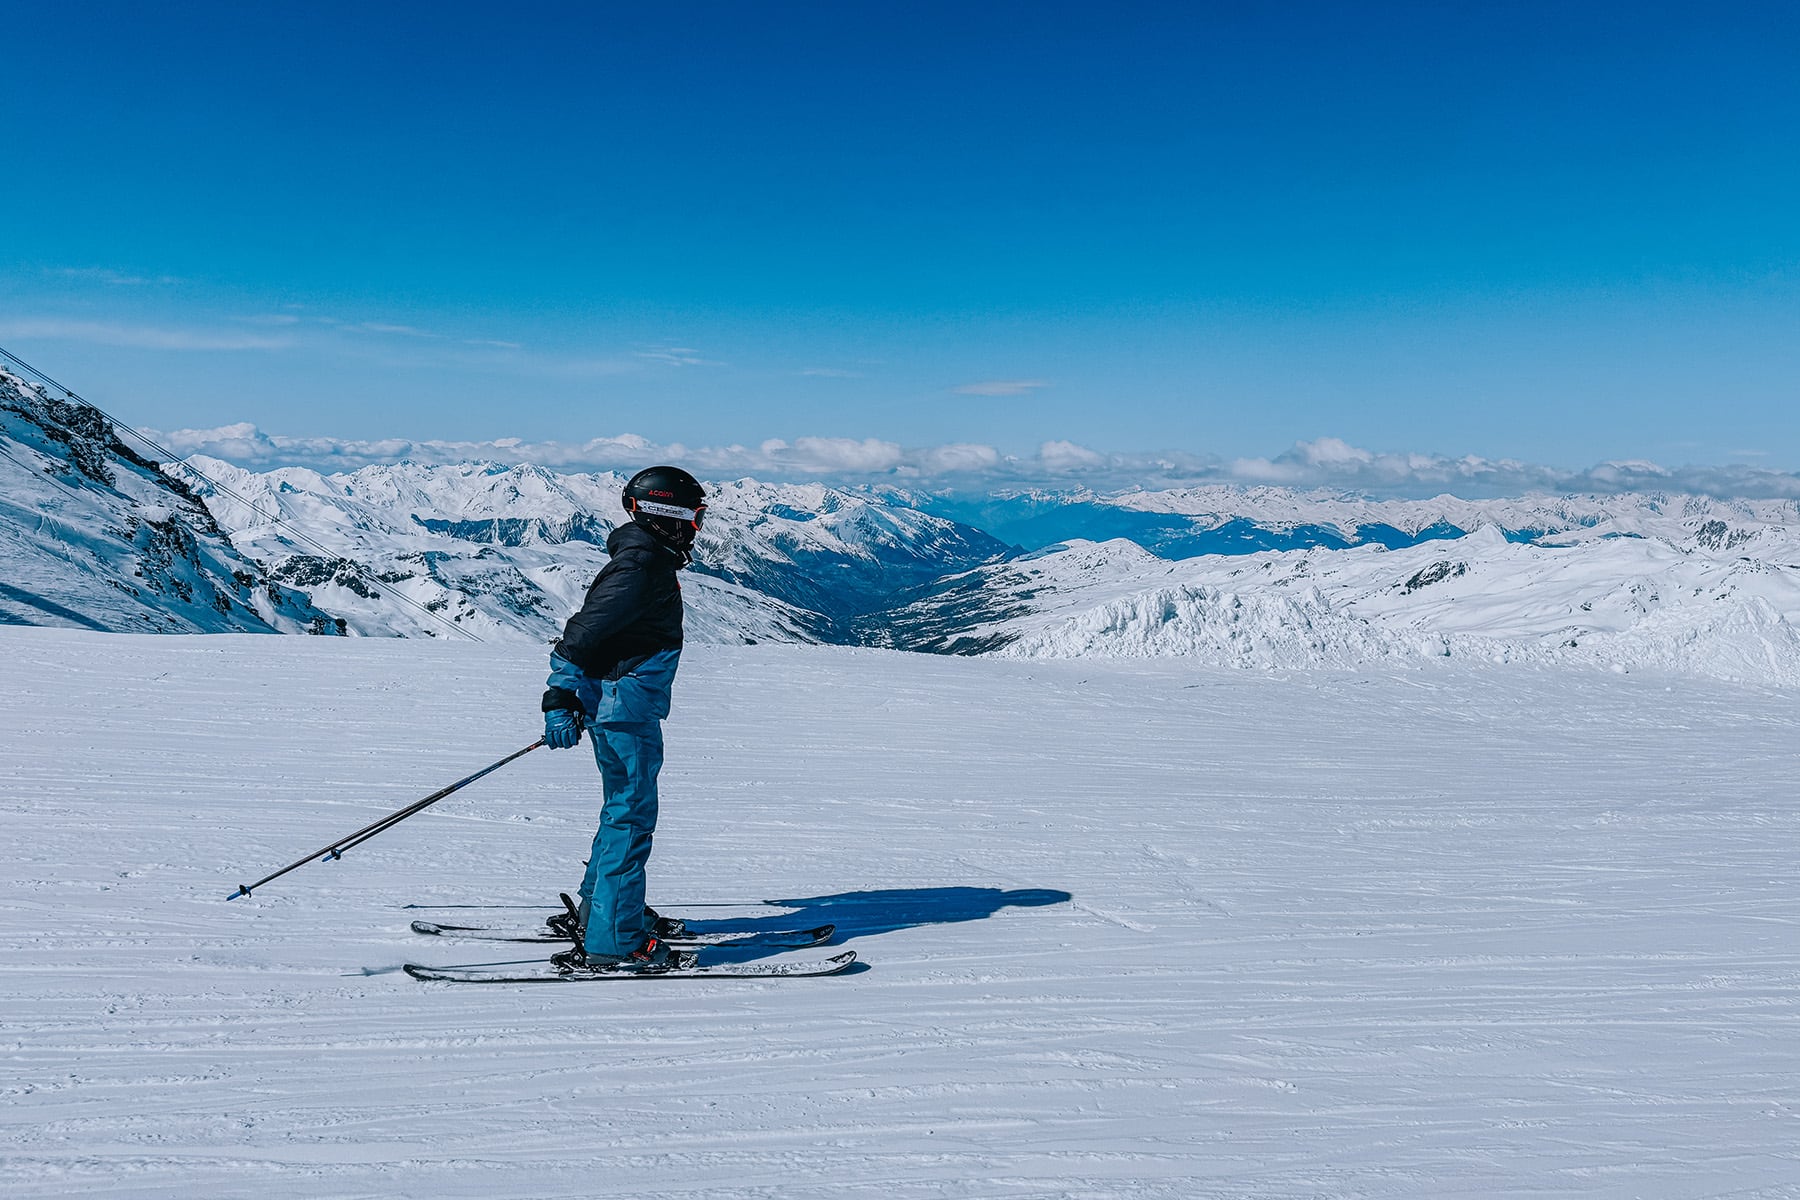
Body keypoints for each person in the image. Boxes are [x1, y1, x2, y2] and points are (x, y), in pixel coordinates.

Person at [539, 465, 706, 972]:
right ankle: (614, 940)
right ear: (668, 514)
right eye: (695, 517)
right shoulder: (640, 567)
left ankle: (603, 914)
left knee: (621, 813)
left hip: (619, 702)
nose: (699, 527)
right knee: (631, 819)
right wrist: (560, 695)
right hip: (624, 708)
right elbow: (583, 634)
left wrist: (570, 696)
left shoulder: (647, 559)